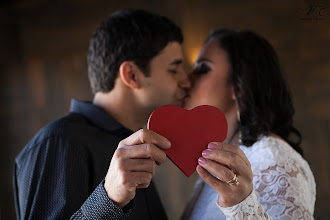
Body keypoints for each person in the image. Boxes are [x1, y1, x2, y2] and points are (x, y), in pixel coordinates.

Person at [13, 9, 191, 219]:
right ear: (132, 75)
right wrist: (109, 199)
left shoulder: (136, 143)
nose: (186, 81)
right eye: (174, 69)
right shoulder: (59, 142)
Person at [181, 28, 316, 219]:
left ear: (239, 86)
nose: (186, 80)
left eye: (203, 69)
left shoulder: (274, 161)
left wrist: (241, 206)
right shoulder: (219, 157)